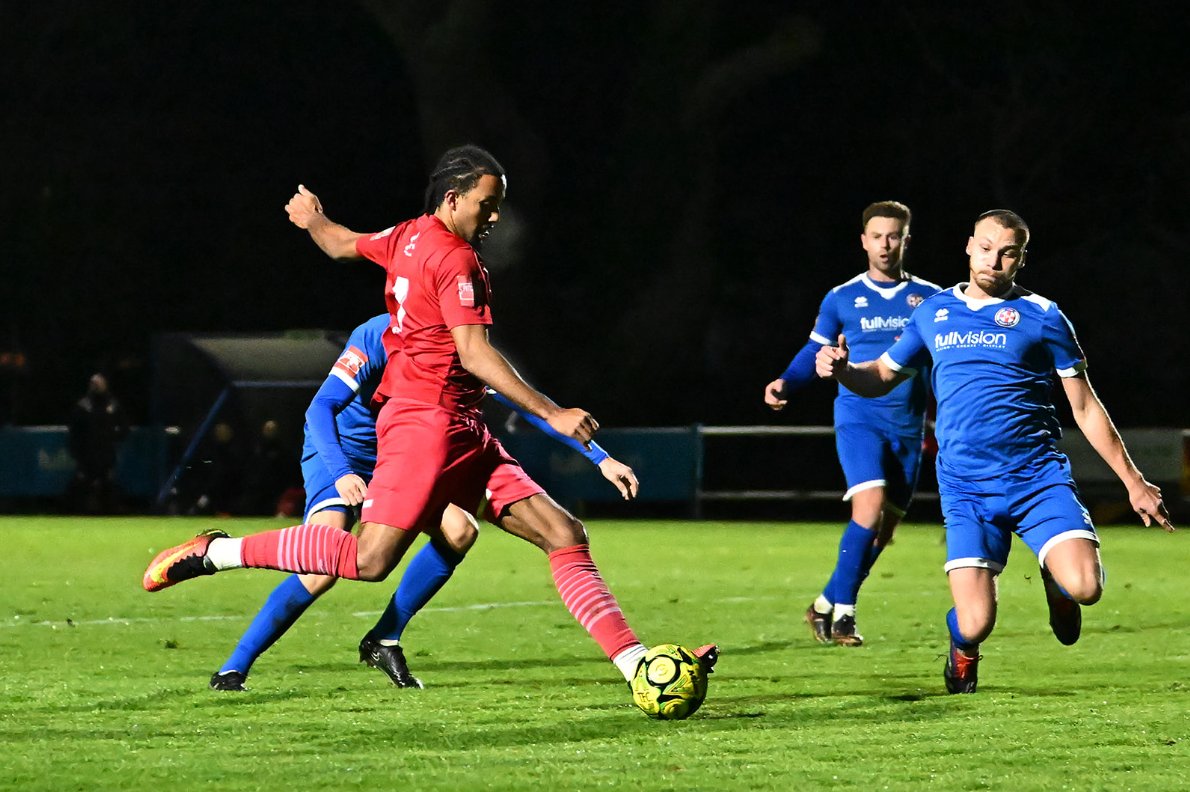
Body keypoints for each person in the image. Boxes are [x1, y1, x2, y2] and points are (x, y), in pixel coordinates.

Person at [145, 145, 715, 697]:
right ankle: (217, 553)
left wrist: (314, 220)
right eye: (486, 204)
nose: (494, 216)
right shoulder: (457, 259)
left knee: (564, 534)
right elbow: (475, 355)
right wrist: (551, 411)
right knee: (366, 561)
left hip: (460, 428)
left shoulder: (407, 236)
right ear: (451, 198)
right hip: (425, 426)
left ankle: (638, 666)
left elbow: (343, 245)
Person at [815, 209, 1174, 693]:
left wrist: (1134, 482)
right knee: (976, 621)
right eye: (986, 248)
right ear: (969, 246)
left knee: (1087, 587)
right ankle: (963, 648)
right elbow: (879, 374)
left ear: (1021, 258)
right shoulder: (933, 312)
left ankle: (1059, 585)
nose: (994, 260)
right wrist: (843, 370)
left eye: (1008, 252)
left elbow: (1086, 408)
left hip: (1037, 477)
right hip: (967, 488)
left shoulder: (1044, 317)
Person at [211, 313, 642, 691]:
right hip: (346, 453)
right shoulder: (379, 334)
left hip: (408, 454)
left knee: (460, 531)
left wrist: (599, 458)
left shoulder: (462, 342)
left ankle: (384, 638)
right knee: (323, 568)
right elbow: (320, 408)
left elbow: (528, 405)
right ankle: (233, 667)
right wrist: (342, 473)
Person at [764, 201, 940, 646]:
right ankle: (844, 615)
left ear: (906, 240)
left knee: (885, 529)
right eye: (877, 236)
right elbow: (814, 351)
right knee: (869, 506)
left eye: (894, 235)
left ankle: (824, 603)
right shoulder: (842, 297)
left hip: (909, 425)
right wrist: (786, 382)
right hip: (859, 418)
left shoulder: (932, 299)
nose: (885, 244)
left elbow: (945, 363)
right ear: (863, 241)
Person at [67, 372, 129, 513]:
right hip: (86, 455)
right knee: (82, 485)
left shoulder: (112, 405)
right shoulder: (83, 406)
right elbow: (74, 432)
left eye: (99, 383)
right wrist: (76, 452)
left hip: (106, 454)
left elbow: (125, 428)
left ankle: (110, 514)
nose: (96, 386)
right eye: (94, 384)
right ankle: (79, 514)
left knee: (108, 486)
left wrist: (112, 436)